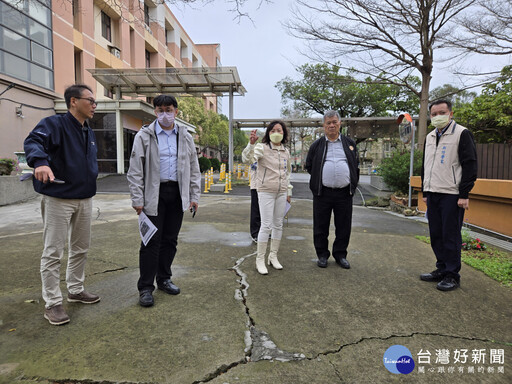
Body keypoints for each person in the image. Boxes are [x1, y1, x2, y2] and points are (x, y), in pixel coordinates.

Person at [24, 84, 100, 326]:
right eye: (90, 100)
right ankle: (53, 303)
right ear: (73, 102)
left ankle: (76, 289)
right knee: (53, 251)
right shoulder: (54, 125)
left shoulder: (88, 130)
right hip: (58, 198)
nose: (94, 105)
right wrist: (40, 162)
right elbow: (33, 142)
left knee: (81, 248)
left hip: (85, 198)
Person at [127, 94, 201, 307]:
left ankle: (164, 278)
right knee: (151, 240)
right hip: (154, 193)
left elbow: (194, 169)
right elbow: (135, 170)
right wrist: (137, 199)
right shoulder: (144, 136)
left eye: (168, 109)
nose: (165, 114)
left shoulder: (185, 136)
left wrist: (194, 196)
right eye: (160, 110)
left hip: (177, 193)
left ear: (176, 111)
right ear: (155, 112)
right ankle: (146, 288)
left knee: (170, 239)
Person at [420, 99, 477, 291]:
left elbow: (470, 164)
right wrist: (425, 191)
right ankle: (441, 269)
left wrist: (464, 193)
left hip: (452, 194)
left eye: (441, 112)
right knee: (436, 234)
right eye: (434, 114)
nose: (437, 117)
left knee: (450, 235)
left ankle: (452, 275)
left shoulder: (462, 133)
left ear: (450, 113)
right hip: (433, 192)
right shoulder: (429, 137)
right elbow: (425, 166)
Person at [305, 110, 359, 269]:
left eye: (334, 122)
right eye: (328, 123)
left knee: (344, 226)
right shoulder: (316, 145)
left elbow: (355, 166)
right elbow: (309, 166)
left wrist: (352, 183)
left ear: (340, 123)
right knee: (320, 226)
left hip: (344, 193)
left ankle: (340, 255)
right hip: (323, 193)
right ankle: (322, 255)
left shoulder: (349, 144)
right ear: (324, 126)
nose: (332, 125)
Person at [244, 121, 292, 275]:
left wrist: (288, 192)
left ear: (283, 133)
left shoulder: (286, 151)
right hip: (265, 191)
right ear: (268, 133)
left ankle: (273, 256)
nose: (276, 132)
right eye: (272, 130)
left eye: (279, 130)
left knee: (278, 224)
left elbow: (287, 173)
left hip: (281, 192)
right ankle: (260, 259)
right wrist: (251, 145)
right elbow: (248, 159)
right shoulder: (262, 147)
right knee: (266, 225)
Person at [242, 129, 261, 243]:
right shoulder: (257, 149)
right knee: (256, 210)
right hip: (257, 185)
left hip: (270, 186)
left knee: (268, 212)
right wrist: (251, 144)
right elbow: (246, 158)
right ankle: (255, 233)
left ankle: (265, 232)